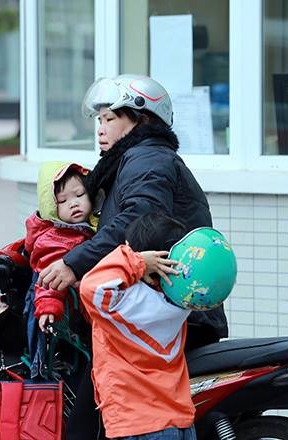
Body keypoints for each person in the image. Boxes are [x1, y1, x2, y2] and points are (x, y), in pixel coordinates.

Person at [39, 74, 228, 351]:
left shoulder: (148, 159)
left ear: (143, 120)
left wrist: (74, 263)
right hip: (161, 309)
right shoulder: (133, 160)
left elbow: (135, 221)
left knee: (93, 392)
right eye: (99, 120)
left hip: (173, 314)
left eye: (110, 119)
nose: (100, 129)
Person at [79, 213, 196, 440]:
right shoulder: (181, 304)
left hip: (137, 424)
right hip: (179, 419)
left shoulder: (124, 304)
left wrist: (137, 261)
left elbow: (90, 286)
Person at [24, 162, 95, 332]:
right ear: (51, 207)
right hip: (77, 313)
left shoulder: (90, 226)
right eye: (63, 200)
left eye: (79, 194)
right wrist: (48, 306)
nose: (73, 204)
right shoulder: (55, 239)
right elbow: (48, 278)